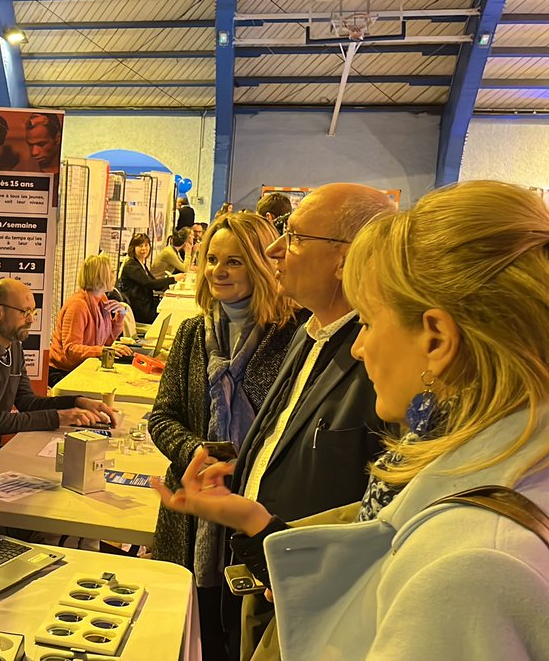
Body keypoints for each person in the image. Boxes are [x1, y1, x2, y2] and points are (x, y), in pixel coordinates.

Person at [153, 180, 549, 660]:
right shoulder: (484, 481)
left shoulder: (474, 561)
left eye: (368, 322)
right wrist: (256, 522)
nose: (359, 346)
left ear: (437, 340)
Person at [214, 183, 397, 657]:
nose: (275, 249)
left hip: (322, 612)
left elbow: (379, 519)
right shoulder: (309, 332)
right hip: (269, 581)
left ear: (345, 258)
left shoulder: (386, 364)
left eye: (293, 236)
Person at [147, 213, 298, 661]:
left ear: (261, 264)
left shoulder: (293, 337)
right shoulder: (194, 333)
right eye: (212, 259)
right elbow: (163, 416)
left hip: (258, 511)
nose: (218, 271)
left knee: (244, 638)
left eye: (234, 261)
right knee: (195, 637)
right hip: (192, 516)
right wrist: (195, 452)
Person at [0, 279, 116, 468]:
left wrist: (77, 402)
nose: (31, 319)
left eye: (33, 312)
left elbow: (28, 402)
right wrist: (61, 417)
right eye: (24, 312)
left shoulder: (14, 347)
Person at [48, 255, 132, 385]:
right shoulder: (78, 306)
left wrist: (120, 315)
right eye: (111, 272)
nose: (114, 276)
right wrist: (103, 351)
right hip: (63, 372)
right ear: (100, 276)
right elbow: (71, 350)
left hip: (82, 367)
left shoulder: (101, 299)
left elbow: (108, 340)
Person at [118, 232, 184, 325]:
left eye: (146, 245)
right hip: (139, 308)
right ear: (133, 248)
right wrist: (173, 280)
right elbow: (150, 284)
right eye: (140, 246)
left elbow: (154, 282)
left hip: (146, 304)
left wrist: (171, 282)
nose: (144, 248)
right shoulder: (131, 266)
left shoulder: (141, 263)